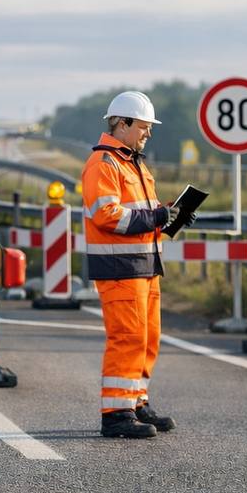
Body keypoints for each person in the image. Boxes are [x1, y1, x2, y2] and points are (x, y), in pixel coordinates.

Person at [80, 91, 195, 439]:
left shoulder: (133, 162)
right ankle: (116, 413)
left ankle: (135, 401)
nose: (148, 133)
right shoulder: (104, 164)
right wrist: (157, 215)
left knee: (147, 339)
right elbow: (107, 215)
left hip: (145, 265)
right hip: (120, 268)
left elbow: (142, 212)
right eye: (144, 127)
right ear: (123, 123)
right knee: (127, 337)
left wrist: (171, 213)